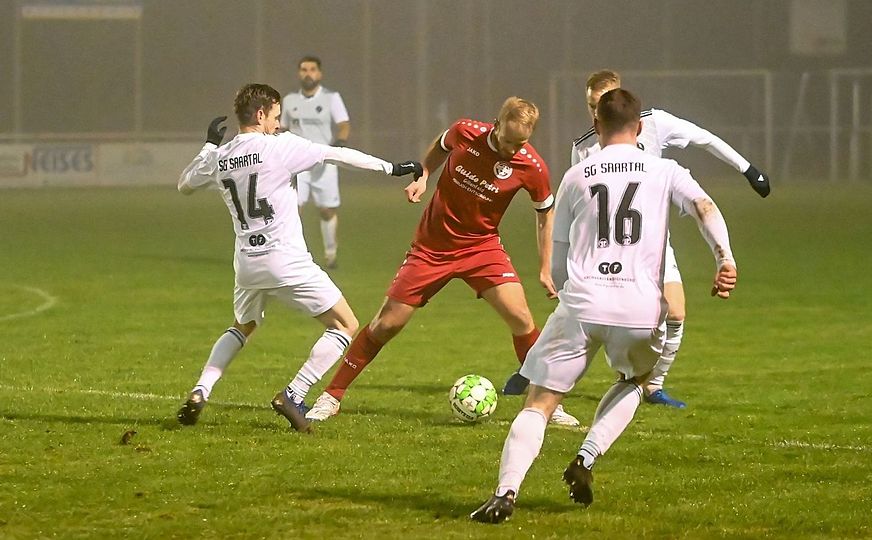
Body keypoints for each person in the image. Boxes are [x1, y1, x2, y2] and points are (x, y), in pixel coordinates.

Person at [471, 88, 737, 523]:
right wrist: (724, 258)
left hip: (583, 301)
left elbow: (558, 259)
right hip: (638, 307)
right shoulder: (664, 169)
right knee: (635, 380)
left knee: (539, 402)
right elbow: (705, 207)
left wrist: (563, 288)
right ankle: (586, 458)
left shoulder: (577, 176)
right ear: (640, 129)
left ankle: (504, 494)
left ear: (597, 126)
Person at [304, 96, 581, 427]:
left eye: (520, 143)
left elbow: (544, 214)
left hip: (482, 247)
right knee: (387, 324)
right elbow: (441, 144)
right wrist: (423, 174)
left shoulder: (532, 166)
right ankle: (332, 396)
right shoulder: (466, 132)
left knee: (521, 318)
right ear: (496, 124)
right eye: (508, 141)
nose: (512, 150)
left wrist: (544, 266)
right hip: (432, 247)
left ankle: (546, 404)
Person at [175, 83, 423, 433]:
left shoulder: (223, 156)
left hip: (247, 262)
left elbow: (185, 183)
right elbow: (338, 155)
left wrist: (209, 145)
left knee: (243, 325)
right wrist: (393, 168)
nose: (279, 124)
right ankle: (294, 393)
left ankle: (201, 389)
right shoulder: (280, 147)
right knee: (345, 325)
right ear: (260, 115)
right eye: (275, 117)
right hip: (285, 259)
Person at [568, 69, 768, 408]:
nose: (595, 112)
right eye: (590, 106)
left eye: (600, 104)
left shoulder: (654, 123)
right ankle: (559, 387)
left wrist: (748, 169)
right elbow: (582, 207)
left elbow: (704, 138)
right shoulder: (584, 147)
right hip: (610, 250)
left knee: (675, 314)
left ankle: (652, 386)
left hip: (655, 242)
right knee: (605, 321)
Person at [281, 56, 351, 269]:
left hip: (324, 162)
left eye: (312, 69)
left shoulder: (331, 98)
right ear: (298, 73)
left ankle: (330, 254)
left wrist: (339, 143)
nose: (308, 73)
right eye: (303, 69)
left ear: (319, 74)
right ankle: (291, 255)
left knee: (326, 210)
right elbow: (282, 128)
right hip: (298, 163)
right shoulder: (289, 100)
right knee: (294, 209)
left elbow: (343, 124)